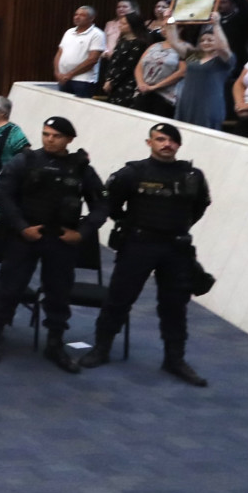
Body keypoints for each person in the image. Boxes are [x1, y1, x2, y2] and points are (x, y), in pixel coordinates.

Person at [89, 123, 211, 385]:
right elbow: (109, 202)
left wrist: (178, 226)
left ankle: (174, 359)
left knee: (175, 305)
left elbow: (200, 207)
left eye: (171, 140)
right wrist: (128, 222)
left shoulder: (192, 175)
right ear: (150, 143)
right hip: (138, 244)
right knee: (119, 299)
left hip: (176, 249)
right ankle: (101, 349)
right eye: (160, 139)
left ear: (179, 145)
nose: (166, 144)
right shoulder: (133, 173)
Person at [0, 115, 105, 372]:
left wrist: (82, 233)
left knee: (59, 293)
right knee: (10, 287)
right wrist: (21, 226)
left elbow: (101, 205)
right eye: (46, 134)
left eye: (56, 136)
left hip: (61, 239)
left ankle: (55, 343)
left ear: (69, 139)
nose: (50, 140)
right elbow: (3, 195)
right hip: (26, 235)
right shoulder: (25, 160)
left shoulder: (80, 167)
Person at [54, 5, 107, 99]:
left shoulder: (97, 34)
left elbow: (92, 60)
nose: (77, 17)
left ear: (91, 18)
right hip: (63, 78)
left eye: (82, 15)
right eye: (76, 14)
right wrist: (57, 72)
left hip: (83, 80)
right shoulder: (69, 32)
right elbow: (59, 53)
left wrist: (70, 74)